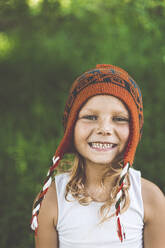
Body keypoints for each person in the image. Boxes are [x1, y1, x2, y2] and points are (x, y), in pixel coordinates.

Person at [31, 64, 165, 248]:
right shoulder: (52, 200)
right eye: (90, 117)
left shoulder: (150, 199)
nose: (104, 129)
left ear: (134, 131)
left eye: (119, 119)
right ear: (71, 127)